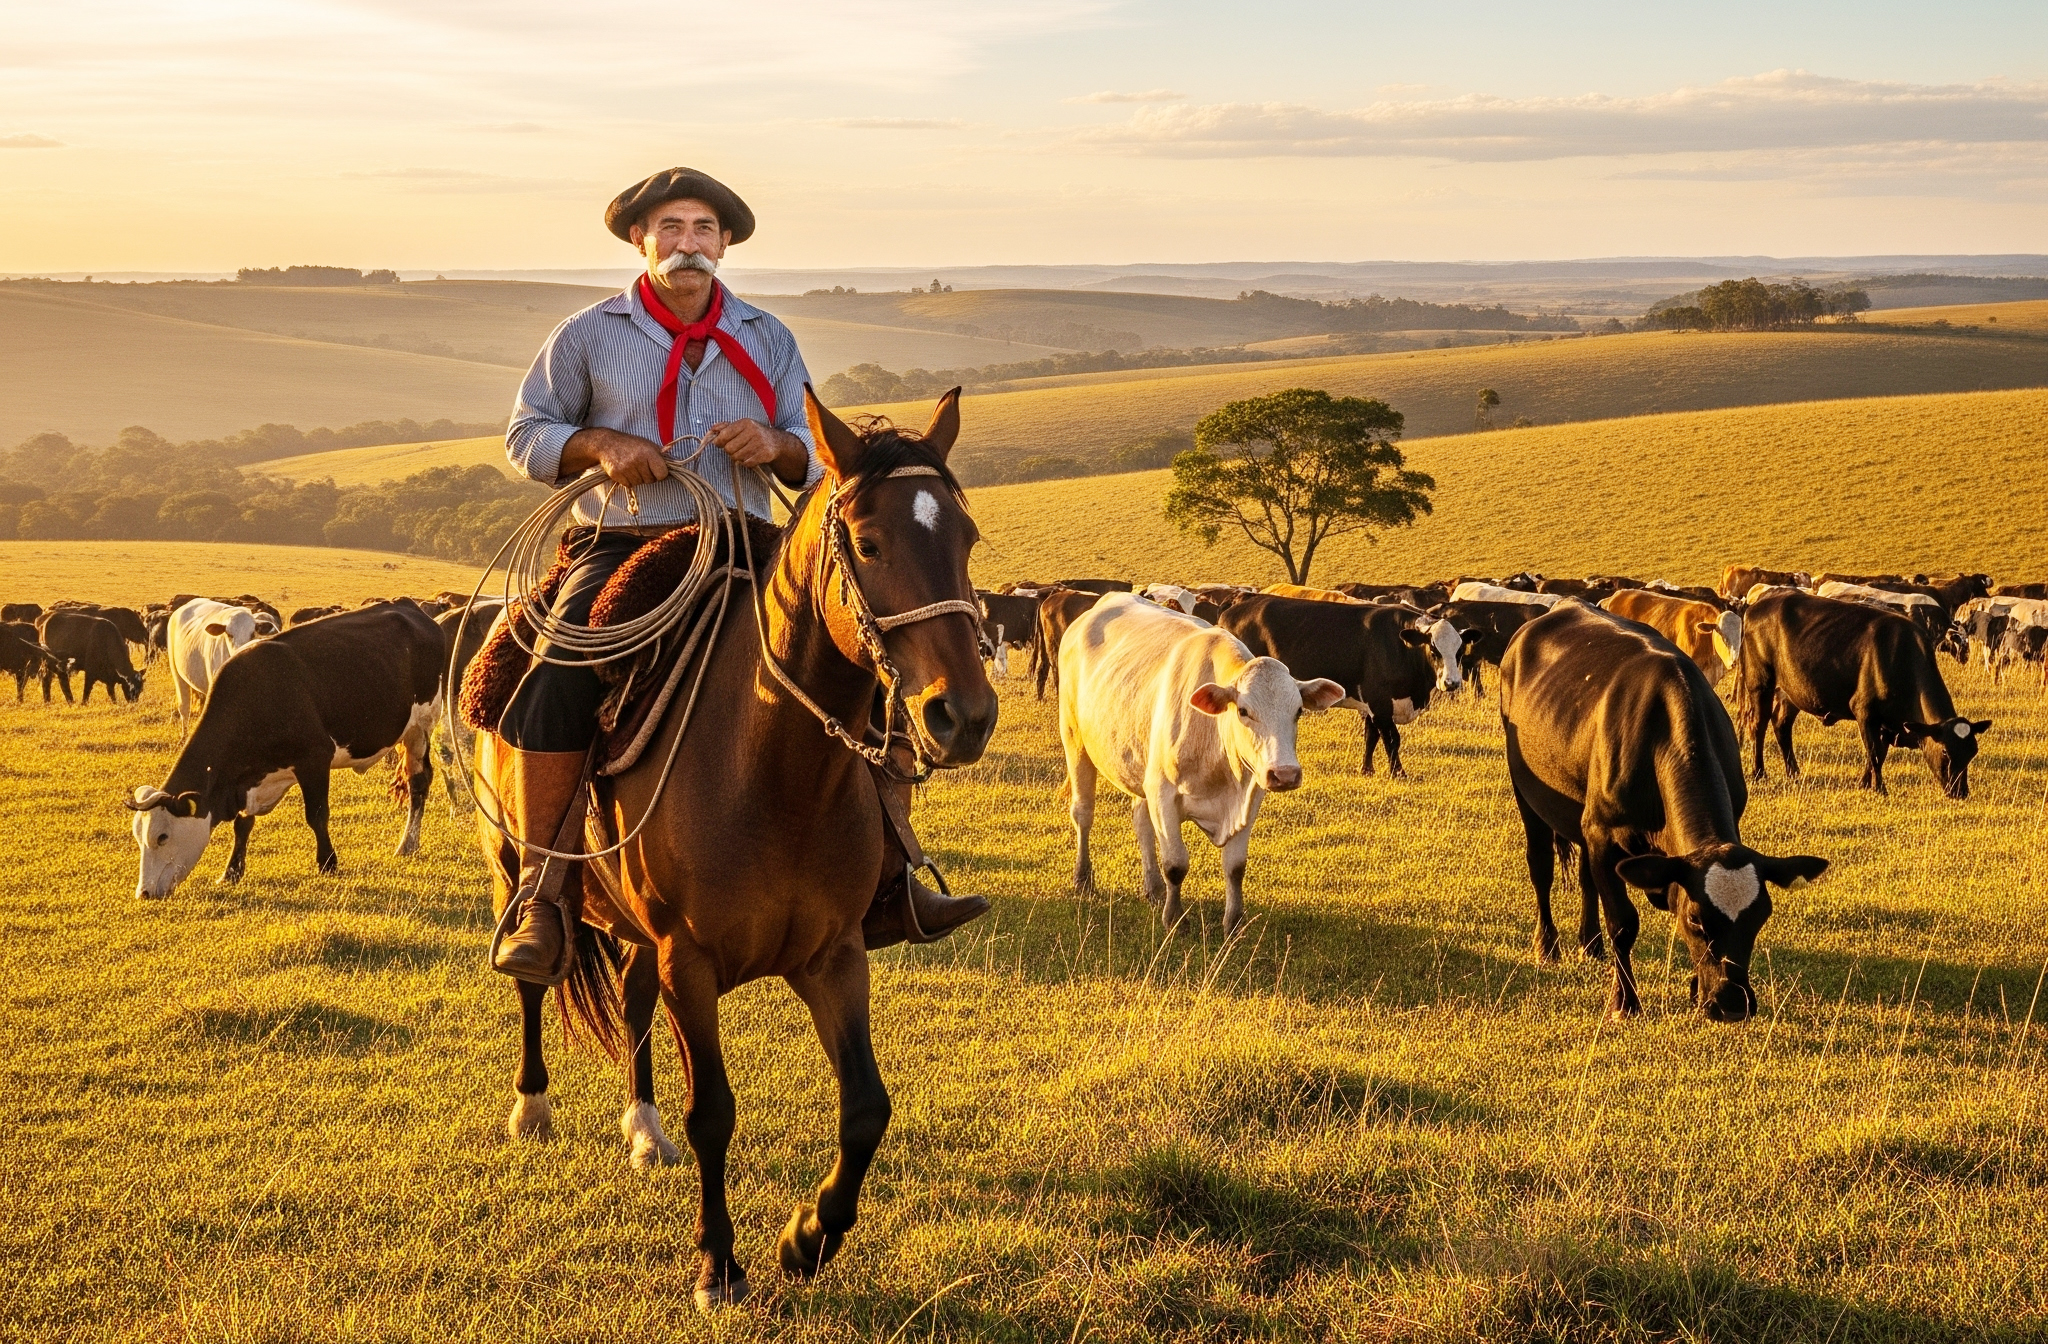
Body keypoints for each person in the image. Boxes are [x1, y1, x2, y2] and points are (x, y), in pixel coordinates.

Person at [489, 166, 988, 983]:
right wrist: (602, 448)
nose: (690, 244)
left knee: (865, 657)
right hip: (625, 541)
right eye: (672, 228)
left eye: (704, 230)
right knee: (556, 671)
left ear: (724, 245)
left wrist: (777, 445)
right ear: (640, 241)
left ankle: (893, 876)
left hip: (746, 541)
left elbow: (812, 450)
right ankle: (544, 893)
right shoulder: (586, 333)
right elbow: (525, 434)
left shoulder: (766, 336)